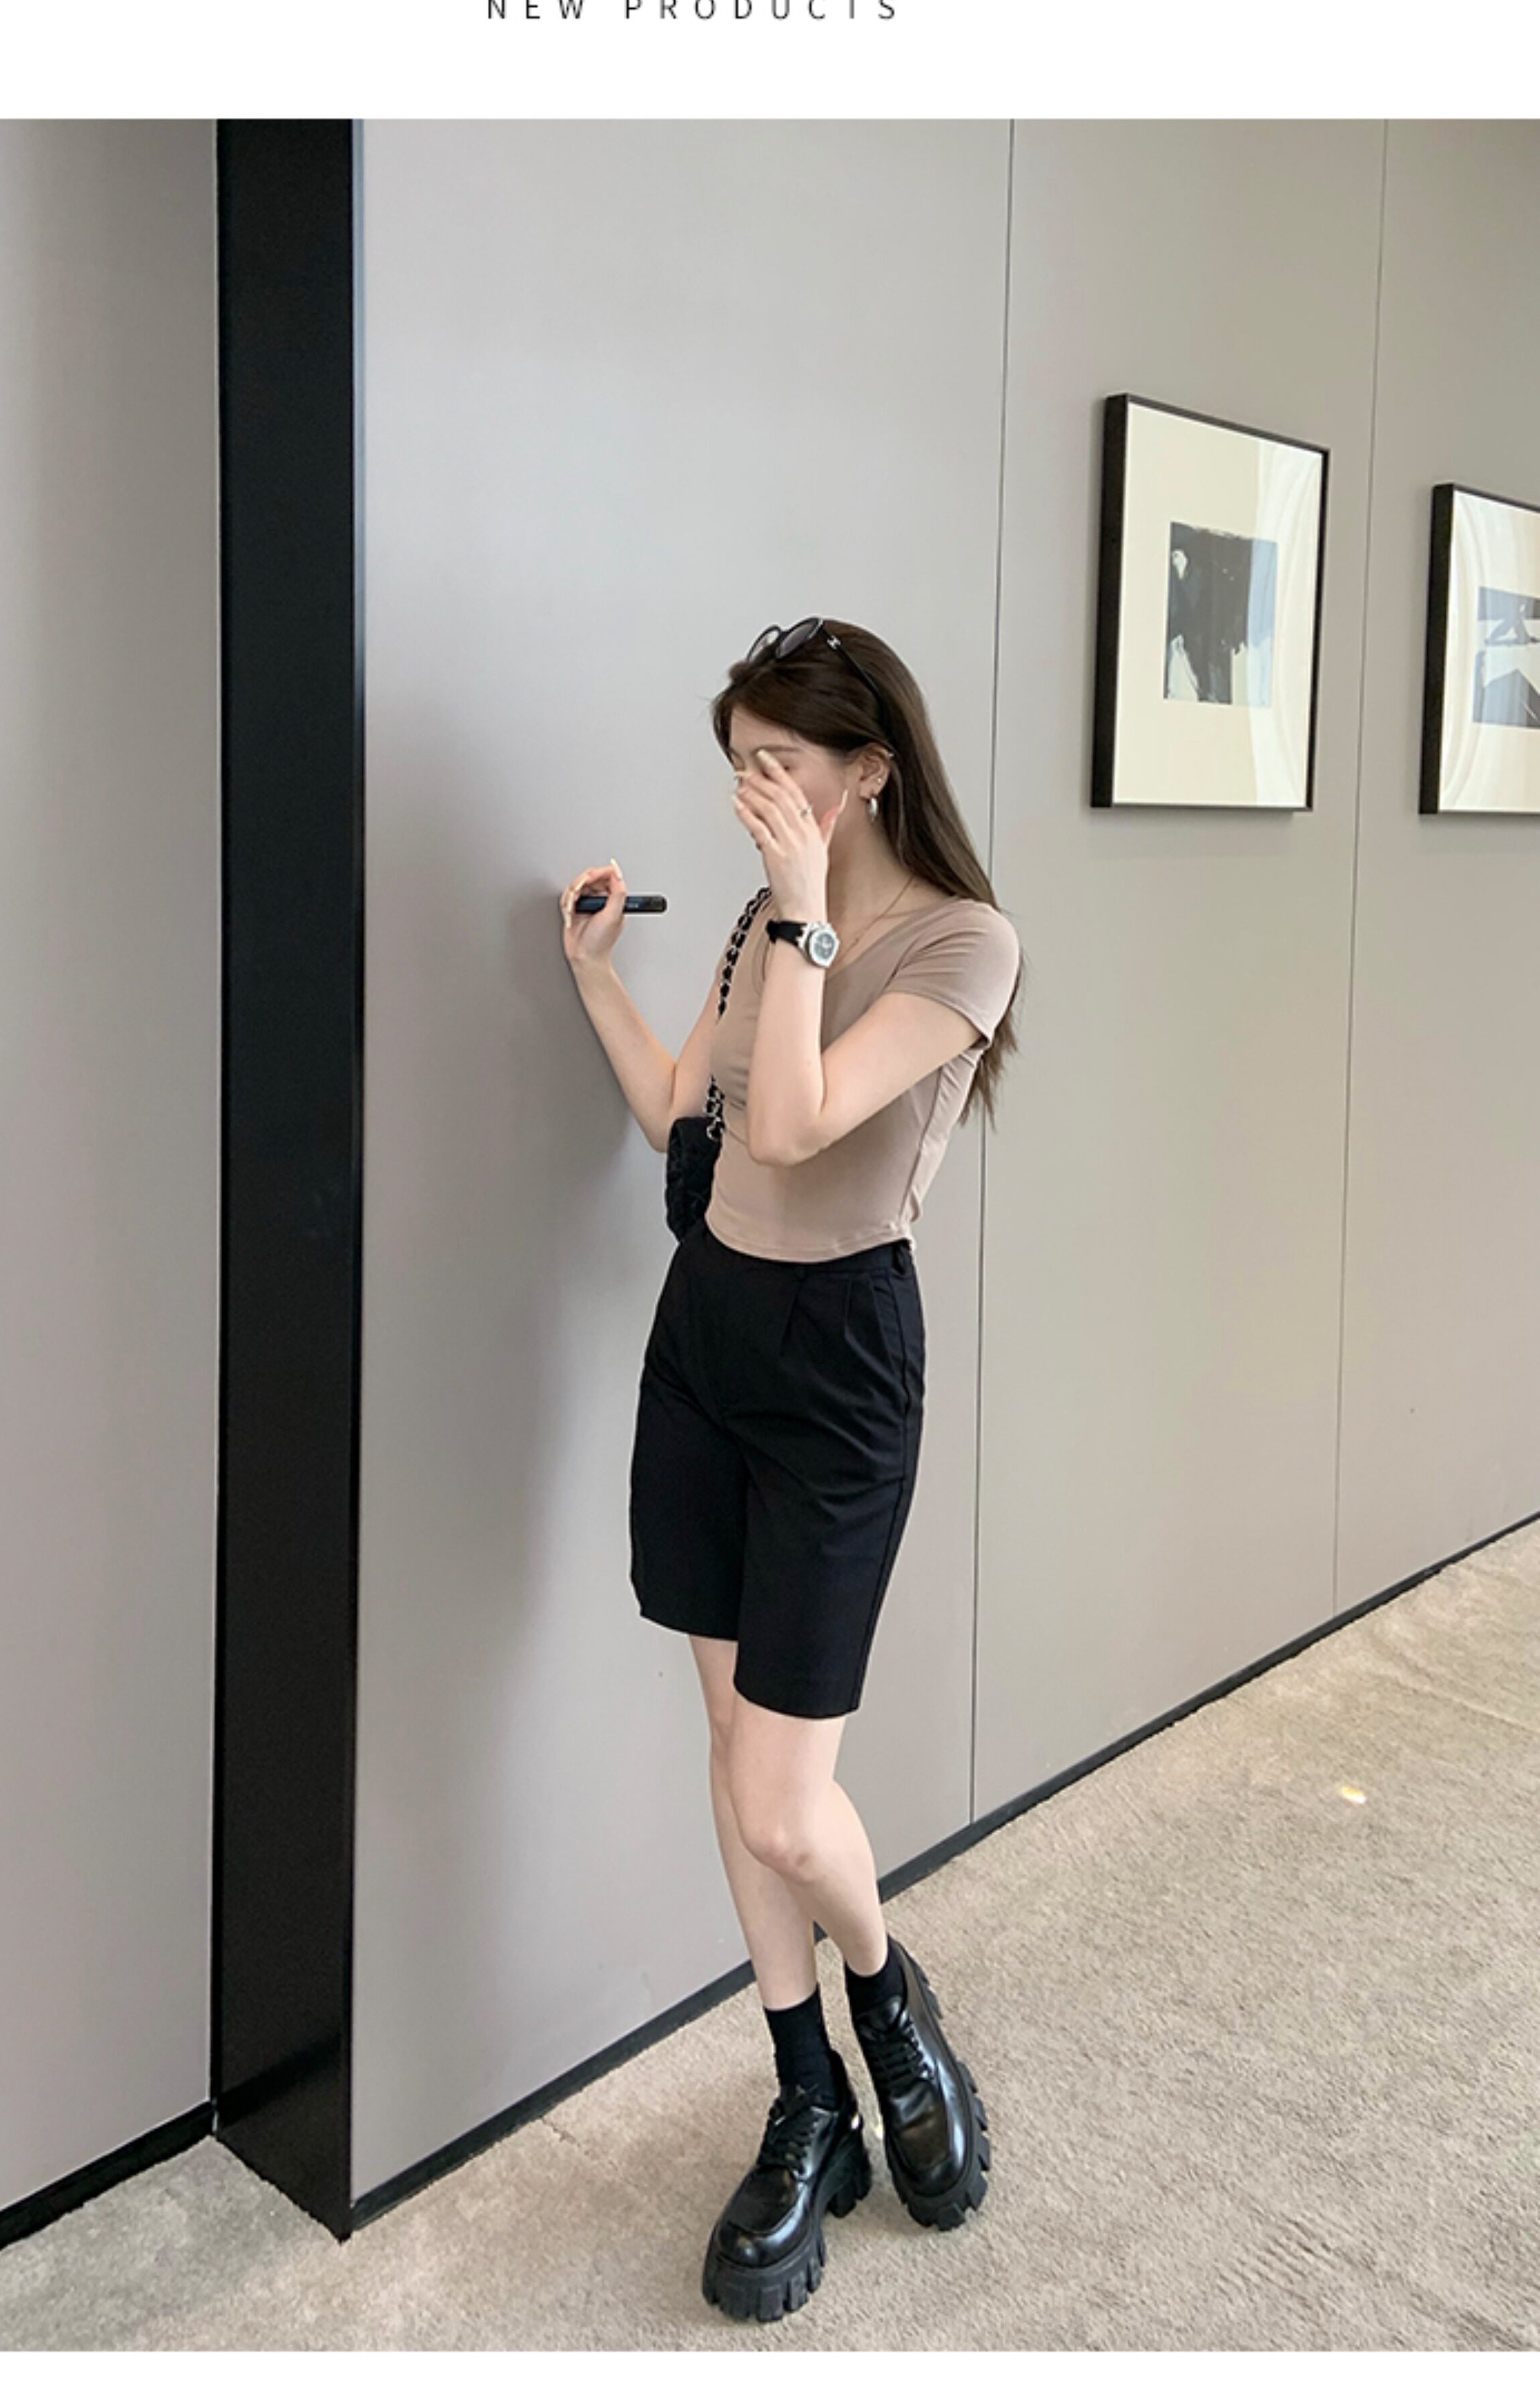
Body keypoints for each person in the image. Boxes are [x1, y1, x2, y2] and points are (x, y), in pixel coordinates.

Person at [560, 616, 1025, 2324]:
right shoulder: (762, 922)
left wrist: (805, 912)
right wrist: (596, 976)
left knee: (779, 1798)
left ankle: (891, 2008)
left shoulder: (963, 943)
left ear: (867, 772)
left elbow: (798, 1124)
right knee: (726, 1743)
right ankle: (807, 2095)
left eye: (781, 766)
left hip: (838, 1368)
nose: (753, 794)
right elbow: (686, 1116)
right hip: (705, 1344)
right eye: (739, 767)